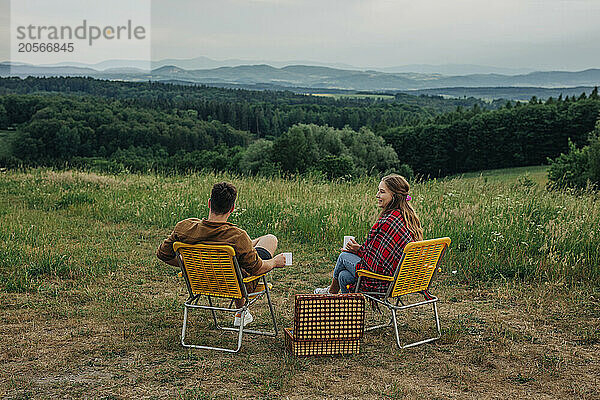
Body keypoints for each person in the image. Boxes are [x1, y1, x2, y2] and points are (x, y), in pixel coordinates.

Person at [157, 181, 287, 326]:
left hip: (200, 280)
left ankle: (241, 312)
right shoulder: (237, 236)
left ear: (209, 203)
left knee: (243, 251)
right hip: (234, 285)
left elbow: (163, 254)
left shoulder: (184, 228)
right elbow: (257, 268)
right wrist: (275, 262)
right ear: (232, 208)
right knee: (270, 239)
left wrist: (187, 264)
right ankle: (241, 312)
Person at [314, 174, 423, 295]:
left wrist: (358, 251)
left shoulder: (388, 222)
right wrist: (359, 249)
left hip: (384, 281)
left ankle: (330, 292)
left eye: (382, 192)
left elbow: (374, 264)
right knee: (343, 276)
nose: (377, 195)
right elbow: (379, 255)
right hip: (402, 281)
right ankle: (347, 309)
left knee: (343, 256)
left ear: (394, 196)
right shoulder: (406, 217)